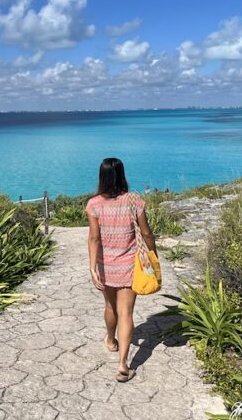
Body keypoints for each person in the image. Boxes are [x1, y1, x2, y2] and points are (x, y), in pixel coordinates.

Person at [85, 157, 157, 382]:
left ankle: (110, 339)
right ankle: (123, 364)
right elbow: (146, 233)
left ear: (102, 177)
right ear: (122, 175)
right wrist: (153, 256)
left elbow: (94, 238)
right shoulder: (134, 200)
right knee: (126, 312)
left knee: (110, 306)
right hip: (129, 266)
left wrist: (92, 267)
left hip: (106, 265)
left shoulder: (94, 204)